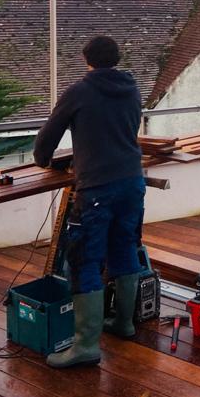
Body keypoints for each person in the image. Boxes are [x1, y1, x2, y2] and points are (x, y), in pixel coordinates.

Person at [34, 35, 145, 368]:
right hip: (132, 182)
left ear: (87, 60)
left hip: (97, 189)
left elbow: (48, 137)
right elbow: (122, 131)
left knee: (85, 261)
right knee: (125, 248)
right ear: (117, 58)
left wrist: (43, 161)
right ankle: (124, 324)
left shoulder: (80, 91)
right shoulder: (133, 88)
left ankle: (85, 346)